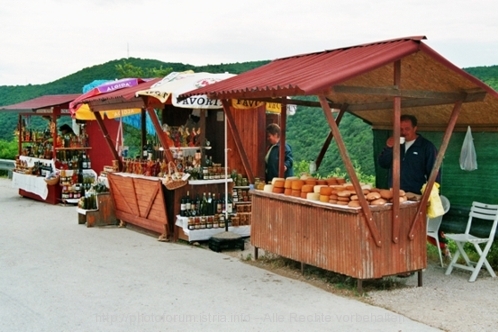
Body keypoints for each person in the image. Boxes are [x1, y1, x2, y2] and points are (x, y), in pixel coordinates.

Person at [377, 114, 439, 195]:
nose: (403, 132)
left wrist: (429, 194)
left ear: (415, 128)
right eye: (400, 129)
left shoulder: (426, 147)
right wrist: (389, 147)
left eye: (407, 129)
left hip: (416, 193)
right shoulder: (395, 144)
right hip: (394, 192)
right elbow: (383, 164)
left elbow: (434, 172)